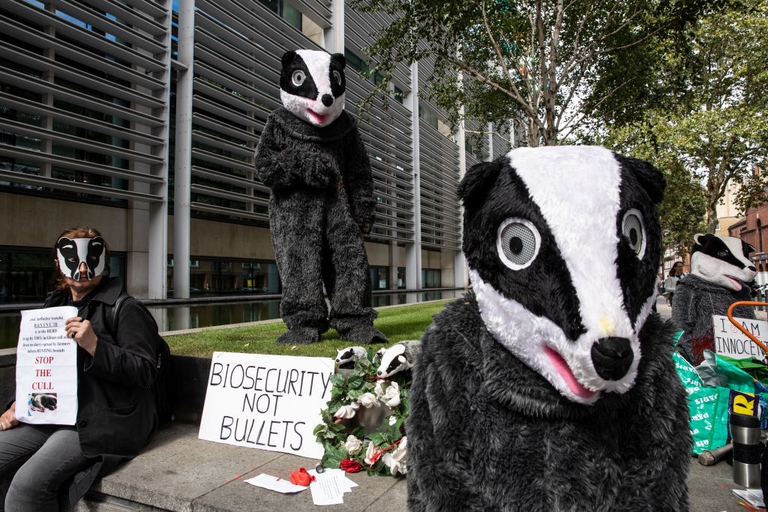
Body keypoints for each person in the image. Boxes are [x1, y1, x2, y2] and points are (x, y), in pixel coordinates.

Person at [0, 227, 160, 510]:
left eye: (91, 259)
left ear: (103, 260)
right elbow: (39, 365)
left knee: (26, 487)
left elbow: (145, 370)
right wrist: (18, 405)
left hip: (98, 418)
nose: (83, 268)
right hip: (51, 413)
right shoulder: (54, 305)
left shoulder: (125, 308)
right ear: (58, 263)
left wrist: (95, 346)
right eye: (74, 260)